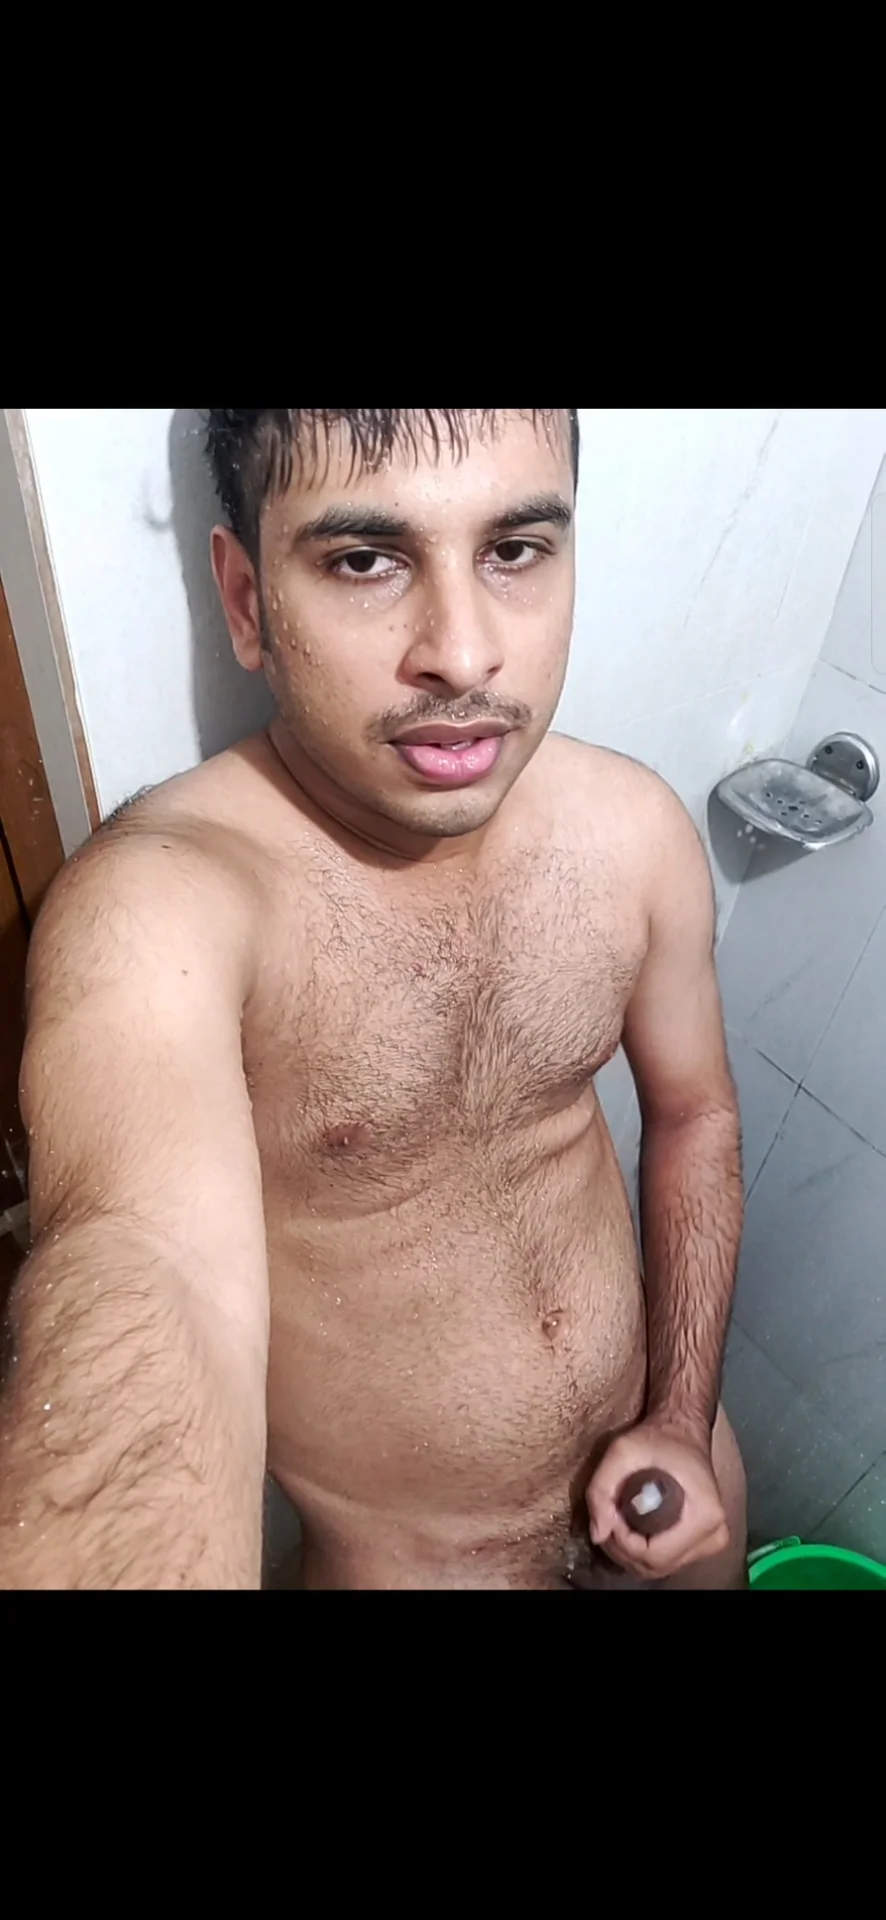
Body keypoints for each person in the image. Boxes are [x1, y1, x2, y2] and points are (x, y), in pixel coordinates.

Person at [0, 408, 746, 1591]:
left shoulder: (635, 835)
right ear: (247, 601)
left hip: (677, 1497)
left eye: (514, 550)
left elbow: (696, 1119)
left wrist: (683, 1415)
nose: (462, 652)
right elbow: (148, 1266)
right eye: (363, 559)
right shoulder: (163, 909)